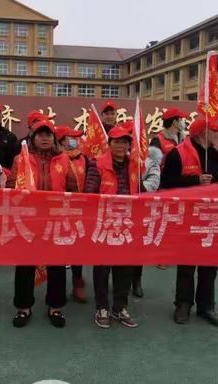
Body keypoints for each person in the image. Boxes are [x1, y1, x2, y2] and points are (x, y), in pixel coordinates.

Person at [7, 119, 78, 328]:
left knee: (57, 265)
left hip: (56, 219)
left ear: (54, 138)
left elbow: (73, 188)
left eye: (48, 134)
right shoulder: (21, 159)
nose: (45, 138)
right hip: (28, 220)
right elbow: (11, 187)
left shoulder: (64, 159)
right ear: (32, 137)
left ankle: (55, 307)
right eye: (40, 134)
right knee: (25, 265)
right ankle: (23, 306)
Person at [161, 118, 218, 327]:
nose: (217, 134)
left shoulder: (217, 155)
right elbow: (166, 182)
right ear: (201, 134)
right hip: (188, 216)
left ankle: (206, 305)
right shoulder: (177, 153)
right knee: (187, 263)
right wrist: (194, 181)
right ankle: (183, 303)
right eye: (213, 131)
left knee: (210, 264)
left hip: (212, 217)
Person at [85, 125, 140, 329]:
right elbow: (90, 193)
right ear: (109, 144)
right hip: (104, 223)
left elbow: (142, 193)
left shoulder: (135, 165)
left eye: (124, 142)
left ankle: (120, 307)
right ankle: (102, 307)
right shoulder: (97, 164)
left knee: (125, 269)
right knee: (102, 269)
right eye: (116, 141)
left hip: (127, 224)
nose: (120, 145)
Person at [55, 124, 94, 303]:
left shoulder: (84, 159)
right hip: (57, 212)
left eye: (77, 138)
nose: (76, 141)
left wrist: (87, 193)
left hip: (79, 211)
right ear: (61, 141)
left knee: (77, 250)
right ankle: (58, 288)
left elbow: (93, 176)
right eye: (72, 138)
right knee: (59, 252)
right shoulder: (55, 159)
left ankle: (78, 284)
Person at [150, 107, 189, 270]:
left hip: (181, 185)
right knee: (163, 223)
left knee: (177, 222)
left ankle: (176, 252)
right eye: (181, 119)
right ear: (174, 122)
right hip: (164, 187)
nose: (184, 122)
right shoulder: (158, 140)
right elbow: (151, 166)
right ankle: (161, 256)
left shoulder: (184, 139)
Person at [131, 145, 162, 298]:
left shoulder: (152, 161)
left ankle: (136, 280)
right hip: (119, 208)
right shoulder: (120, 157)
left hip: (142, 208)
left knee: (137, 246)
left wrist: (138, 185)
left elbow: (154, 182)